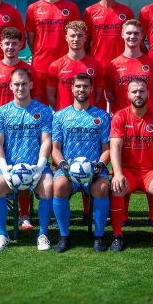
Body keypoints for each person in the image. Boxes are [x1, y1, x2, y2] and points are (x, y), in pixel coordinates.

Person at [0, 68, 53, 252]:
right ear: (10, 86)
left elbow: (46, 140)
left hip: (36, 167)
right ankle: (2, 234)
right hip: (9, 167)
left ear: (31, 85)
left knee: (48, 185)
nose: (20, 87)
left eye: (24, 83)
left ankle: (43, 234)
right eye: (16, 84)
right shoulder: (1, 112)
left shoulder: (43, 111)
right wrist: (4, 169)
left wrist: (40, 167)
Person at [0, 27, 40, 229]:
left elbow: (36, 98)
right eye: (7, 43)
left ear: (20, 45)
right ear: (1, 45)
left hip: (23, 127)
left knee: (22, 166)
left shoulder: (29, 70)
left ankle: (24, 214)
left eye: (14, 44)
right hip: (0, 126)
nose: (10, 47)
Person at [51, 74, 111, 252]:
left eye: (85, 86)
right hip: (68, 170)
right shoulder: (60, 116)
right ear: (72, 89)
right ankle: (64, 236)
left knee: (102, 187)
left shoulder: (102, 116)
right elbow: (55, 149)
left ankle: (99, 236)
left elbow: (107, 149)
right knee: (59, 185)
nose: (81, 89)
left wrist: (100, 165)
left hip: (94, 170)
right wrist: (63, 165)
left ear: (91, 89)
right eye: (78, 86)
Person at [109, 78, 153, 252]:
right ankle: (117, 235)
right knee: (117, 188)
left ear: (148, 93)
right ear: (128, 94)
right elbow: (115, 147)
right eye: (134, 91)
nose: (138, 94)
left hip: (149, 172)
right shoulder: (120, 116)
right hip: (127, 171)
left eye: (142, 91)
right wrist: (118, 173)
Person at [25, 0, 80, 95]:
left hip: (66, 65)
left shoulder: (71, 8)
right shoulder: (33, 8)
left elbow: (78, 36)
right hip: (41, 66)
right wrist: (41, 52)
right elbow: (31, 39)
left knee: (66, 103)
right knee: (39, 104)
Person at [83, 0, 134, 96]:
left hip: (122, 67)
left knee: (121, 102)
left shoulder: (126, 12)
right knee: (98, 103)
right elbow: (85, 42)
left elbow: (133, 40)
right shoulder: (89, 12)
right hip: (98, 66)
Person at [104, 19, 153, 113]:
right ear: (122, 35)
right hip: (122, 118)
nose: (132, 36)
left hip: (148, 118)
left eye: (136, 33)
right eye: (129, 33)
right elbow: (109, 96)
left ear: (141, 36)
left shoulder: (152, 65)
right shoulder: (112, 66)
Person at [47, 20, 104, 112]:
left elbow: (98, 96)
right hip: (65, 117)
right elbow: (51, 97)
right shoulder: (55, 66)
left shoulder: (96, 65)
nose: (76, 39)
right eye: (72, 36)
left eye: (80, 35)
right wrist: (61, 113)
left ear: (85, 38)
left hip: (88, 116)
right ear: (66, 38)